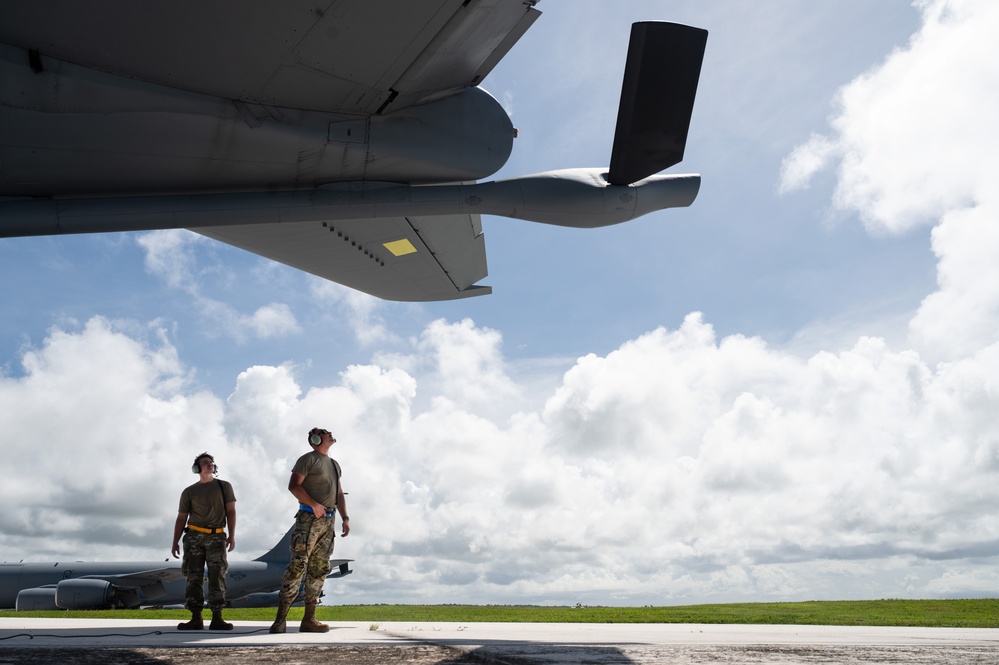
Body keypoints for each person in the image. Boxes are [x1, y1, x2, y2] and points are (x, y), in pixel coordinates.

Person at [269, 427, 350, 634]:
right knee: (297, 567)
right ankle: (280, 620)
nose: (330, 433)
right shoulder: (307, 459)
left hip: (328, 523)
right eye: (324, 432)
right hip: (309, 520)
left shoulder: (334, 464)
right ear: (315, 439)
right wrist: (314, 505)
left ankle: (309, 619)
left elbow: (339, 493)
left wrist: (345, 518)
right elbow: (294, 486)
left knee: (320, 569)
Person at [171, 452, 237, 631]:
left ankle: (217, 618)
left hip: (217, 537)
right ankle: (195, 618)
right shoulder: (189, 491)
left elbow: (231, 511)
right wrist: (175, 541)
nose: (210, 464)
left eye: (212, 462)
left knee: (218, 576)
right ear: (197, 468)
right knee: (193, 577)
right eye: (206, 462)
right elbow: (181, 518)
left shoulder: (224, 487)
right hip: (193, 538)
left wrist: (231, 535)